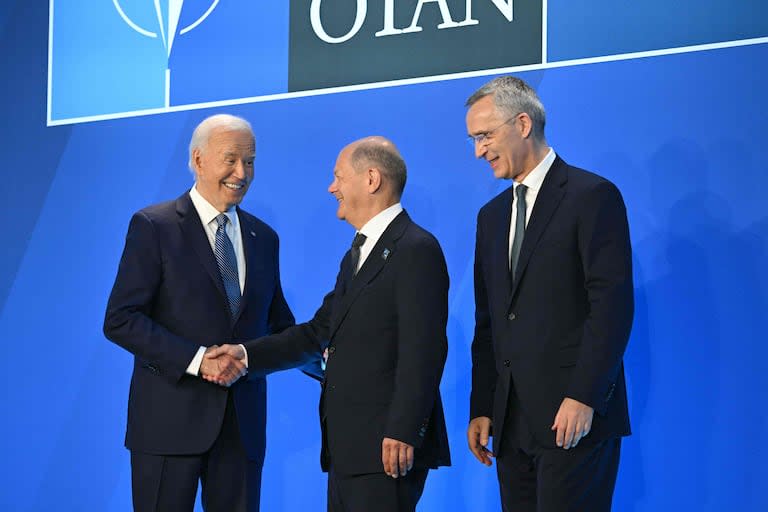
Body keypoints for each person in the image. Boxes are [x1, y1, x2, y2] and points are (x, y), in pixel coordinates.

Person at [206, 136, 451, 512]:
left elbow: (425, 349)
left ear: (371, 179)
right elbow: (316, 332)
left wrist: (403, 430)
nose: (331, 187)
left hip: (387, 448)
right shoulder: (358, 253)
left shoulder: (415, 248)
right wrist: (243, 354)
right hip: (350, 449)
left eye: (338, 177)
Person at [103, 114, 296, 512]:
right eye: (231, 159)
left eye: (251, 161)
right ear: (198, 158)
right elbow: (121, 319)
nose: (242, 172)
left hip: (241, 429)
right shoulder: (154, 226)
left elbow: (279, 325)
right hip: (167, 426)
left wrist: (328, 355)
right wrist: (197, 361)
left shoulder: (264, 238)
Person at [465, 76, 634, 511]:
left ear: (522, 123)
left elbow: (611, 307)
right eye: (474, 139)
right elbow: (490, 322)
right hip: (510, 421)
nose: (478, 151)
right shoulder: (490, 217)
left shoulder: (591, 196)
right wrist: (483, 406)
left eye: (485, 136)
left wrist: (584, 396)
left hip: (573, 417)